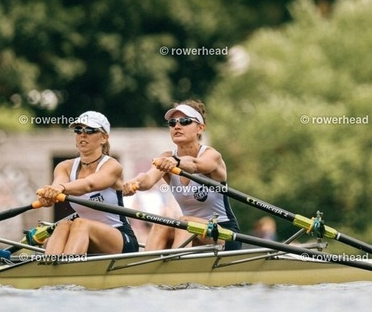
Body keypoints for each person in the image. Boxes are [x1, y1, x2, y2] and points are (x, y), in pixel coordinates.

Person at [123, 99, 241, 251]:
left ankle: (176, 262)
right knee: (162, 223)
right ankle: (146, 264)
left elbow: (195, 164)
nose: (177, 126)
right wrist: (132, 184)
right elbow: (147, 179)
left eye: (185, 121)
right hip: (190, 232)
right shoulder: (166, 158)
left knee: (184, 222)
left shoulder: (211, 156)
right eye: (172, 123)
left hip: (223, 233)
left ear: (200, 128)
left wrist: (176, 161)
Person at [37, 111, 139, 256]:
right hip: (83, 236)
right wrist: (49, 196)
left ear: (104, 138)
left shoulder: (112, 166)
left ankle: (67, 266)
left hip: (120, 238)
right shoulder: (64, 167)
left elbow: (88, 185)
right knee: (63, 225)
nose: (83, 135)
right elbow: (57, 185)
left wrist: (60, 188)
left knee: (80, 223)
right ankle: (48, 266)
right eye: (78, 130)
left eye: (90, 130)